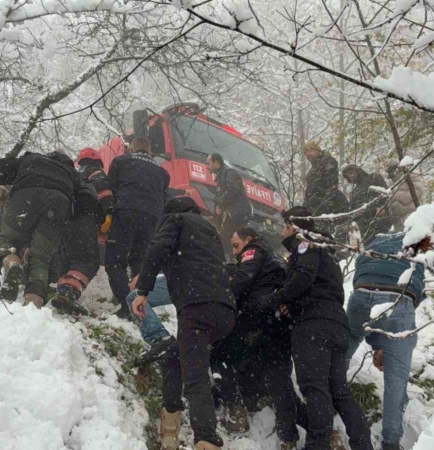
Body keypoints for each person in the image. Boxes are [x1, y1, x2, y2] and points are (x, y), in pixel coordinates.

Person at [244, 206, 373, 450]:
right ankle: (362, 444)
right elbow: (321, 287)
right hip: (336, 322)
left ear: (293, 225)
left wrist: (276, 299)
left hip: (313, 326)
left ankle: (317, 444)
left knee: (315, 388)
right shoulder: (326, 250)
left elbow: (303, 277)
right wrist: (295, 304)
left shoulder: (305, 242)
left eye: (284, 226)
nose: (282, 232)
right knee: (339, 392)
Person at [132, 196, 236, 450]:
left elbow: (158, 248)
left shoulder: (175, 219)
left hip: (196, 309)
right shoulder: (209, 229)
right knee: (174, 360)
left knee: (195, 379)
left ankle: (207, 439)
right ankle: (169, 431)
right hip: (225, 311)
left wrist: (143, 290)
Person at [346, 233, 434, 450]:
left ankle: (321, 400)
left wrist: (378, 343)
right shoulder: (420, 243)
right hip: (397, 298)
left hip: (360, 295)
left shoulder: (377, 241)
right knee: (396, 382)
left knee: (342, 351)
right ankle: (390, 443)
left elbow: (362, 267)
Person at [210, 226, 302, 448]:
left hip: (258, 314)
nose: (234, 252)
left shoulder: (254, 250)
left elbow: (243, 280)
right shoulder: (277, 259)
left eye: (235, 245)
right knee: (280, 380)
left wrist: (221, 301)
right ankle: (290, 436)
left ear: (248, 240)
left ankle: (236, 408)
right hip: (280, 322)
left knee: (217, 352)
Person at [0, 151, 79, 309]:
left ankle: (11, 264)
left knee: (7, 243)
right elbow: (86, 198)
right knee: (41, 260)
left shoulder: (30, 161)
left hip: (24, 202)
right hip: (58, 203)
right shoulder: (71, 174)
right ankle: (32, 305)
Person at [106, 136, 170, 318]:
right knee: (140, 261)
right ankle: (139, 302)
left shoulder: (121, 161)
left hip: (125, 211)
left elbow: (110, 188)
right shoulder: (163, 172)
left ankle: (127, 303)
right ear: (150, 151)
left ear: (131, 148)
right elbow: (164, 198)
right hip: (152, 217)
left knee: (115, 261)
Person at [47, 181, 99, 315]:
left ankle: (62, 289)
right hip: (82, 220)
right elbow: (98, 208)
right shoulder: (87, 186)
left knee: (68, 259)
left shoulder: (64, 183)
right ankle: (68, 291)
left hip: (62, 220)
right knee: (87, 260)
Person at [206, 153, 252, 256]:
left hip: (236, 213)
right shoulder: (222, 174)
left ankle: (229, 262)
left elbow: (232, 190)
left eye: (208, 163)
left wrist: (221, 206)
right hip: (234, 213)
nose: (206, 166)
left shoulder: (228, 172)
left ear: (216, 162)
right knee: (227, 238)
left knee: (226, 238)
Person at [342, 164, 390, 244]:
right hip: (364, 226)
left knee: (384, 245)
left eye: (351, 172)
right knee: (370, 250)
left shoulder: (373, 178)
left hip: (379, 219)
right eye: (348, 175)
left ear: (357, 171)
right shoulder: (354, 191)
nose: (350, 176)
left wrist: (381, 206)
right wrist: (348, 222)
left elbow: (384, 193)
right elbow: (353, 210)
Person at [303, 141, 348, 217]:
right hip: (313, 206)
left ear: (317, 150)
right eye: (305, 153)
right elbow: (309, 190)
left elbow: (330, 183)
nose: (307, 154)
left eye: (310, 151)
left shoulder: (328, 161)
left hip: (327, 204)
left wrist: (324, 203)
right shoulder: (311, 170)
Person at [385, 164, 426, 231]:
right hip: (397, 217)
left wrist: (400, 200)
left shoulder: (411, 175)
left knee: (412, 238)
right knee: (401, 240)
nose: (389, 175)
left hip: (409, 213)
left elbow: (418, 190)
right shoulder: (392, 183)